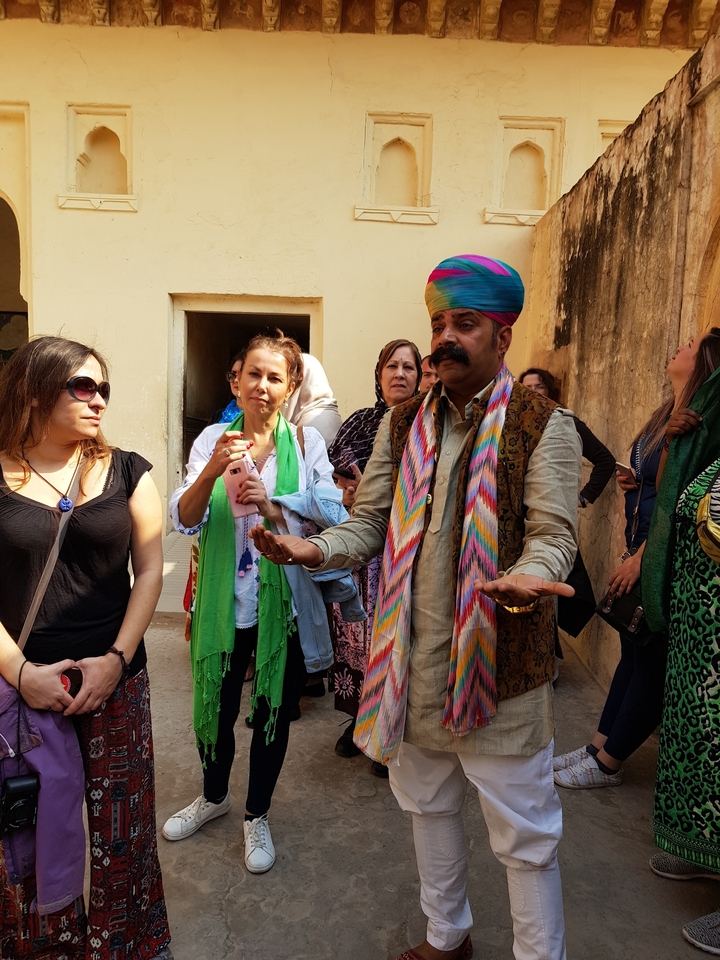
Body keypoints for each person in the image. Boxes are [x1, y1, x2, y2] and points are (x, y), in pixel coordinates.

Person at [251, 254, 581, 960]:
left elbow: (554, 536)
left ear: (502, 335)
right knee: (426, 805)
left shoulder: (543, 424)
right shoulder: (401, 426)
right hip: (409, 661)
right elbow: (370, 522)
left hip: (500, 668)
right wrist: (314, 549)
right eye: (438, 324)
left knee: (526, 838)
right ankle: (446, 935)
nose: (446, 337)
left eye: (465, 323)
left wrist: (528, 575)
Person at [0, 336, 171, 960]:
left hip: (115, 683)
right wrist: (22, 673)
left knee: (122, 835)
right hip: (24, 692)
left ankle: (130, 945)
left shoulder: (128, 471)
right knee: (30, 831)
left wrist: (117, 661)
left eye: (104, 388)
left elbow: (149, 572)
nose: (99, 399)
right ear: (34, 390)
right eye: (83, 386)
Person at [162, 332, 338, 875]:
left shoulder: (306, 444)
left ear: (291, 387)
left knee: (271, 714)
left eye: (274, 377)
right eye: (253, 374)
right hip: (223, 606)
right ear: (236, 381)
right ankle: (213, 796)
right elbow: (184, 517)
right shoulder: (212, 439)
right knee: (214, 710)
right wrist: (212, 469)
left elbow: (332, 515)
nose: (262, 386)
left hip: (282, 607)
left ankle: (256, 814)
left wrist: (275, 506)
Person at [554, 329, 720, 790]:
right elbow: (656, 484)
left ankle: (609, 762)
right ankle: (598, 746)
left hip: (663, 554)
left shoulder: (699, 419)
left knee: (650, 659)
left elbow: (681, 500)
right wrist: (636, 487)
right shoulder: (667, 412)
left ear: (706, 361)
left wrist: (643, 558)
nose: (681, 344)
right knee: (633, 650)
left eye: (692, 344)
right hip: (643, 544)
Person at [640, 329, 720, 956]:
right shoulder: (697, 423)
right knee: (701, 745)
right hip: (700, 631)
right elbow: (670, 500)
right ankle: (706, 854)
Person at [326, 339, 422, 777]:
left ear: (419, 377)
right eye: (392, 366)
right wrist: (347, 492)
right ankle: (358, 721)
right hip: (359, 551)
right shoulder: (360, 422)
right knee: (357, 638)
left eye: (409, 367)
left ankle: (392, 733)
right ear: (379, 374)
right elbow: (331, 475)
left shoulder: (425, 424)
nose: (399, 374)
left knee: (396, 637)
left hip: (405, 550)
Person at [519, 367, 615, 508]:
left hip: (552, 509)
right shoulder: (515, 424)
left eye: (540, 386)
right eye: (527, 387)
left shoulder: (566, 422)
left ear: (549, 390)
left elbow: (605, 460)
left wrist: (585, 497)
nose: (533, 391)